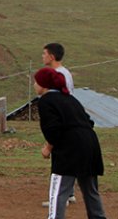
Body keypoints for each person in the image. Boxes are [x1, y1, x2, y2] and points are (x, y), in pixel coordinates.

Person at [34, 67, 107, 219]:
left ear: (44, 85)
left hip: (70, 148)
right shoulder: (70, 98)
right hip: (90, 144)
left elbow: (53, 130)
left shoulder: (46, 101)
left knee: (59, 190)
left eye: (36, 82)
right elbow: (89, 121)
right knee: (90, 190)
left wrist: (48, 148)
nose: (34, 85)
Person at [42, 42, 77, 207]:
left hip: (62, 121)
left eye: (44, 54)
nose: (42, 57)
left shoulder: (57, 75)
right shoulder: (64, 73)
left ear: (51, 56)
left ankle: (59, 198)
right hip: (66, 119)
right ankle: (68, 193)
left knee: (60, 158)